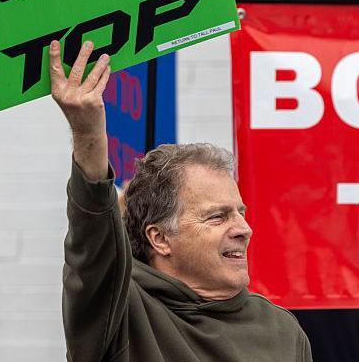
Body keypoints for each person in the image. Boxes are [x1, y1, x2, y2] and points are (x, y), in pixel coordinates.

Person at [49, 39, 313, 362]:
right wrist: (88, 136)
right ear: (159, 238)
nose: (244, 229)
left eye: (240, 213)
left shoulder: (282, 330)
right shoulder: (122, 314)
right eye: (218, 217)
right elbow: (92, 252)